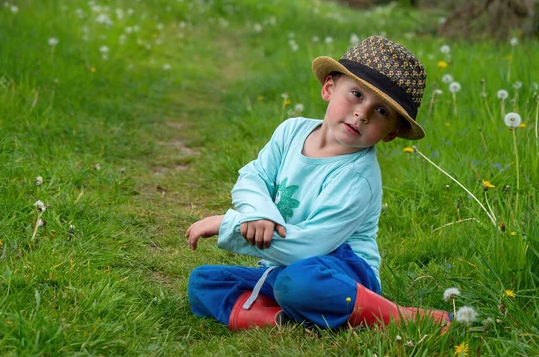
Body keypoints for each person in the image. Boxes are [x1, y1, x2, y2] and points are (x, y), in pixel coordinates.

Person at [185, 35, 451, 331]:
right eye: (357, 95)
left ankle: (399, 316)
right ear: (329, 87)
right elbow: (254, 176)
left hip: (342, 271)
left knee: (300, 280)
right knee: (204, 282)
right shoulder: (291, 131)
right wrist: (258, 213)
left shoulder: (357, 178)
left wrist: (231, 226)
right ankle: (283, 321)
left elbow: (308, 248)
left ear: (390, 133)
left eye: (381, 111)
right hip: (285, 265)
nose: (361, 113)